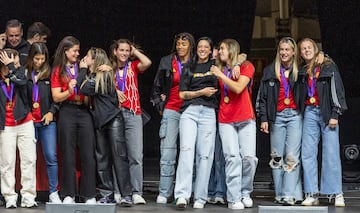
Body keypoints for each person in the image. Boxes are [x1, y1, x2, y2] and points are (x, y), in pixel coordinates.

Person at [77, 47, 133, 206]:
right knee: (102, 159)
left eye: (87, 57)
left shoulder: (105, 75)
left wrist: (82, 70)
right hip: (100, 121)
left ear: (94, 60)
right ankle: (106, 194)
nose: (85, 59)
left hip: (113, 119)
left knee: (119, 157)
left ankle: (126, 194)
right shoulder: (96, 75)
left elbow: (83, 88)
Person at [298, 38, 347, 207]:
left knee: (331, 153)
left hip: (327, 112)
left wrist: (335, 113)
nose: (306, 50)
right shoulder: (303, 70)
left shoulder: (328, 67)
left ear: (315, 49)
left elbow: (338, 90)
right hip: (310, 112)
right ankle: (311, 193)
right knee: (308, 153)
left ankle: (336, 193)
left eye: (309, 47)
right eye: (303, 49)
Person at [210, 39, 258, 210]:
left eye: (222, 48)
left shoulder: (246, 66)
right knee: (232, 158)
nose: (219, 51)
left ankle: (246, 191)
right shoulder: (218, 67)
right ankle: (233, 197)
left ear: (231, 50)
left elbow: (238, 88)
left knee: (249, 158)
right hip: (226, 119)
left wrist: (223, 74)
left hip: (245, 118)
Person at [256, 37, 303, 206]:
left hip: (294, 116)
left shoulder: (300, 71)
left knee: (291, 156)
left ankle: (289, 194)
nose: (284, 53)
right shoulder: (270, 71)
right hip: (276, 116)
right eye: (281, 50)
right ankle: (279, 193)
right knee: (276, 157)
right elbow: (262, 98)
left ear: (293, 52)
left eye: (287, 50)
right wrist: (263, 119)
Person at [174, 37, 219, 209]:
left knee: (205, 155)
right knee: (186, 150)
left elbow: (239, 56)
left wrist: (236, 65)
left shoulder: (215, 66)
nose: (202, 49)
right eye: (200, 46)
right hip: (190, 112)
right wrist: (201, 92)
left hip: (208, 113)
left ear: (210, 50)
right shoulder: (189, 67)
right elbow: (182, 94)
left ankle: (200, 196)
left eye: (205, 47)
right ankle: (182, 195)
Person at [51, 36, 96, 204]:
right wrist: (69, 91)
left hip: (84, 111)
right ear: (65, 51)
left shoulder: (82, 67)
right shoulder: (58, 70)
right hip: (67, 111)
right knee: (68, 154)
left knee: (87, 154)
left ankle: (89, 194)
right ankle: (68, 194)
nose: (78, 53)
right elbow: (56, 97)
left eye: (78, 50)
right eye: (75, 50)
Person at [151, 32, 196, 204]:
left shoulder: (196, 62)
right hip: (171, 109)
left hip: (190, 111)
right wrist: (160, 106)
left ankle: (186, 192)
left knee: (188, 153)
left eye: (184, 44)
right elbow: (157, 86)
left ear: (190, 45)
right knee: (167, 153)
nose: (180, 47)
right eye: (178, 44)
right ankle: (164, 191)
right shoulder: (167, 61)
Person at [109, 38, 152, 204]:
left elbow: (147, 62)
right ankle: (119, 191)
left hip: (133, 113)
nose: (124, 54)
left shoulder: (133, 67)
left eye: (127, 51)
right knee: (118, 155)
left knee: (135, 155)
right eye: (122, 50)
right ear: (115, 51)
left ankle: (136, 192)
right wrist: (114, 90)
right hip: (115, 114)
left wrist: (135, 52)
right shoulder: (109, 68)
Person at [0, 48, 37, 208]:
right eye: (11, 62)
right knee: (7, 163)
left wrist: (13, 68)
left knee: (28, 160)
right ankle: (9, 197)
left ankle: (29, 196)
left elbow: (22, 81)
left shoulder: (22, 72)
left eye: (16, 62)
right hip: (6, 125)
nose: (16, 64)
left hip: (24, 121)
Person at [25, 42, 61, 203]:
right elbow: (20, 98)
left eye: (42, 59)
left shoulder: (50, 73)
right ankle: (29, 194)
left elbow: (57, 98)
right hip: (29, 122)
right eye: (36, 59)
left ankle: (54, 192)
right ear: (31, 57)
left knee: (51, 157)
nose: (39, 62)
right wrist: (27, 115)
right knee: (29, 159)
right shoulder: (25, 74)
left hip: (47, 122)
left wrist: (51, 112)